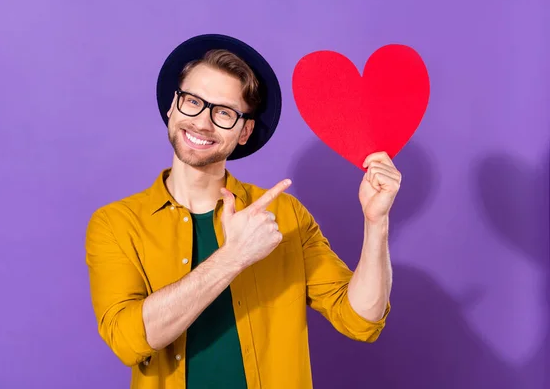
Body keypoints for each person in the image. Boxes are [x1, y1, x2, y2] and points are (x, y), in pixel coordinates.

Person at [85, 33, 401, 389]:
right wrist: (233, 256)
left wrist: (377, 222)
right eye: (192, 101)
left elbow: (362, 319)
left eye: (223, 112)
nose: (202, 123)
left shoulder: (285, 215)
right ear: (173, 107)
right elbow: (128, 341)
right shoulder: (115, 223)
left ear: (245, 131)